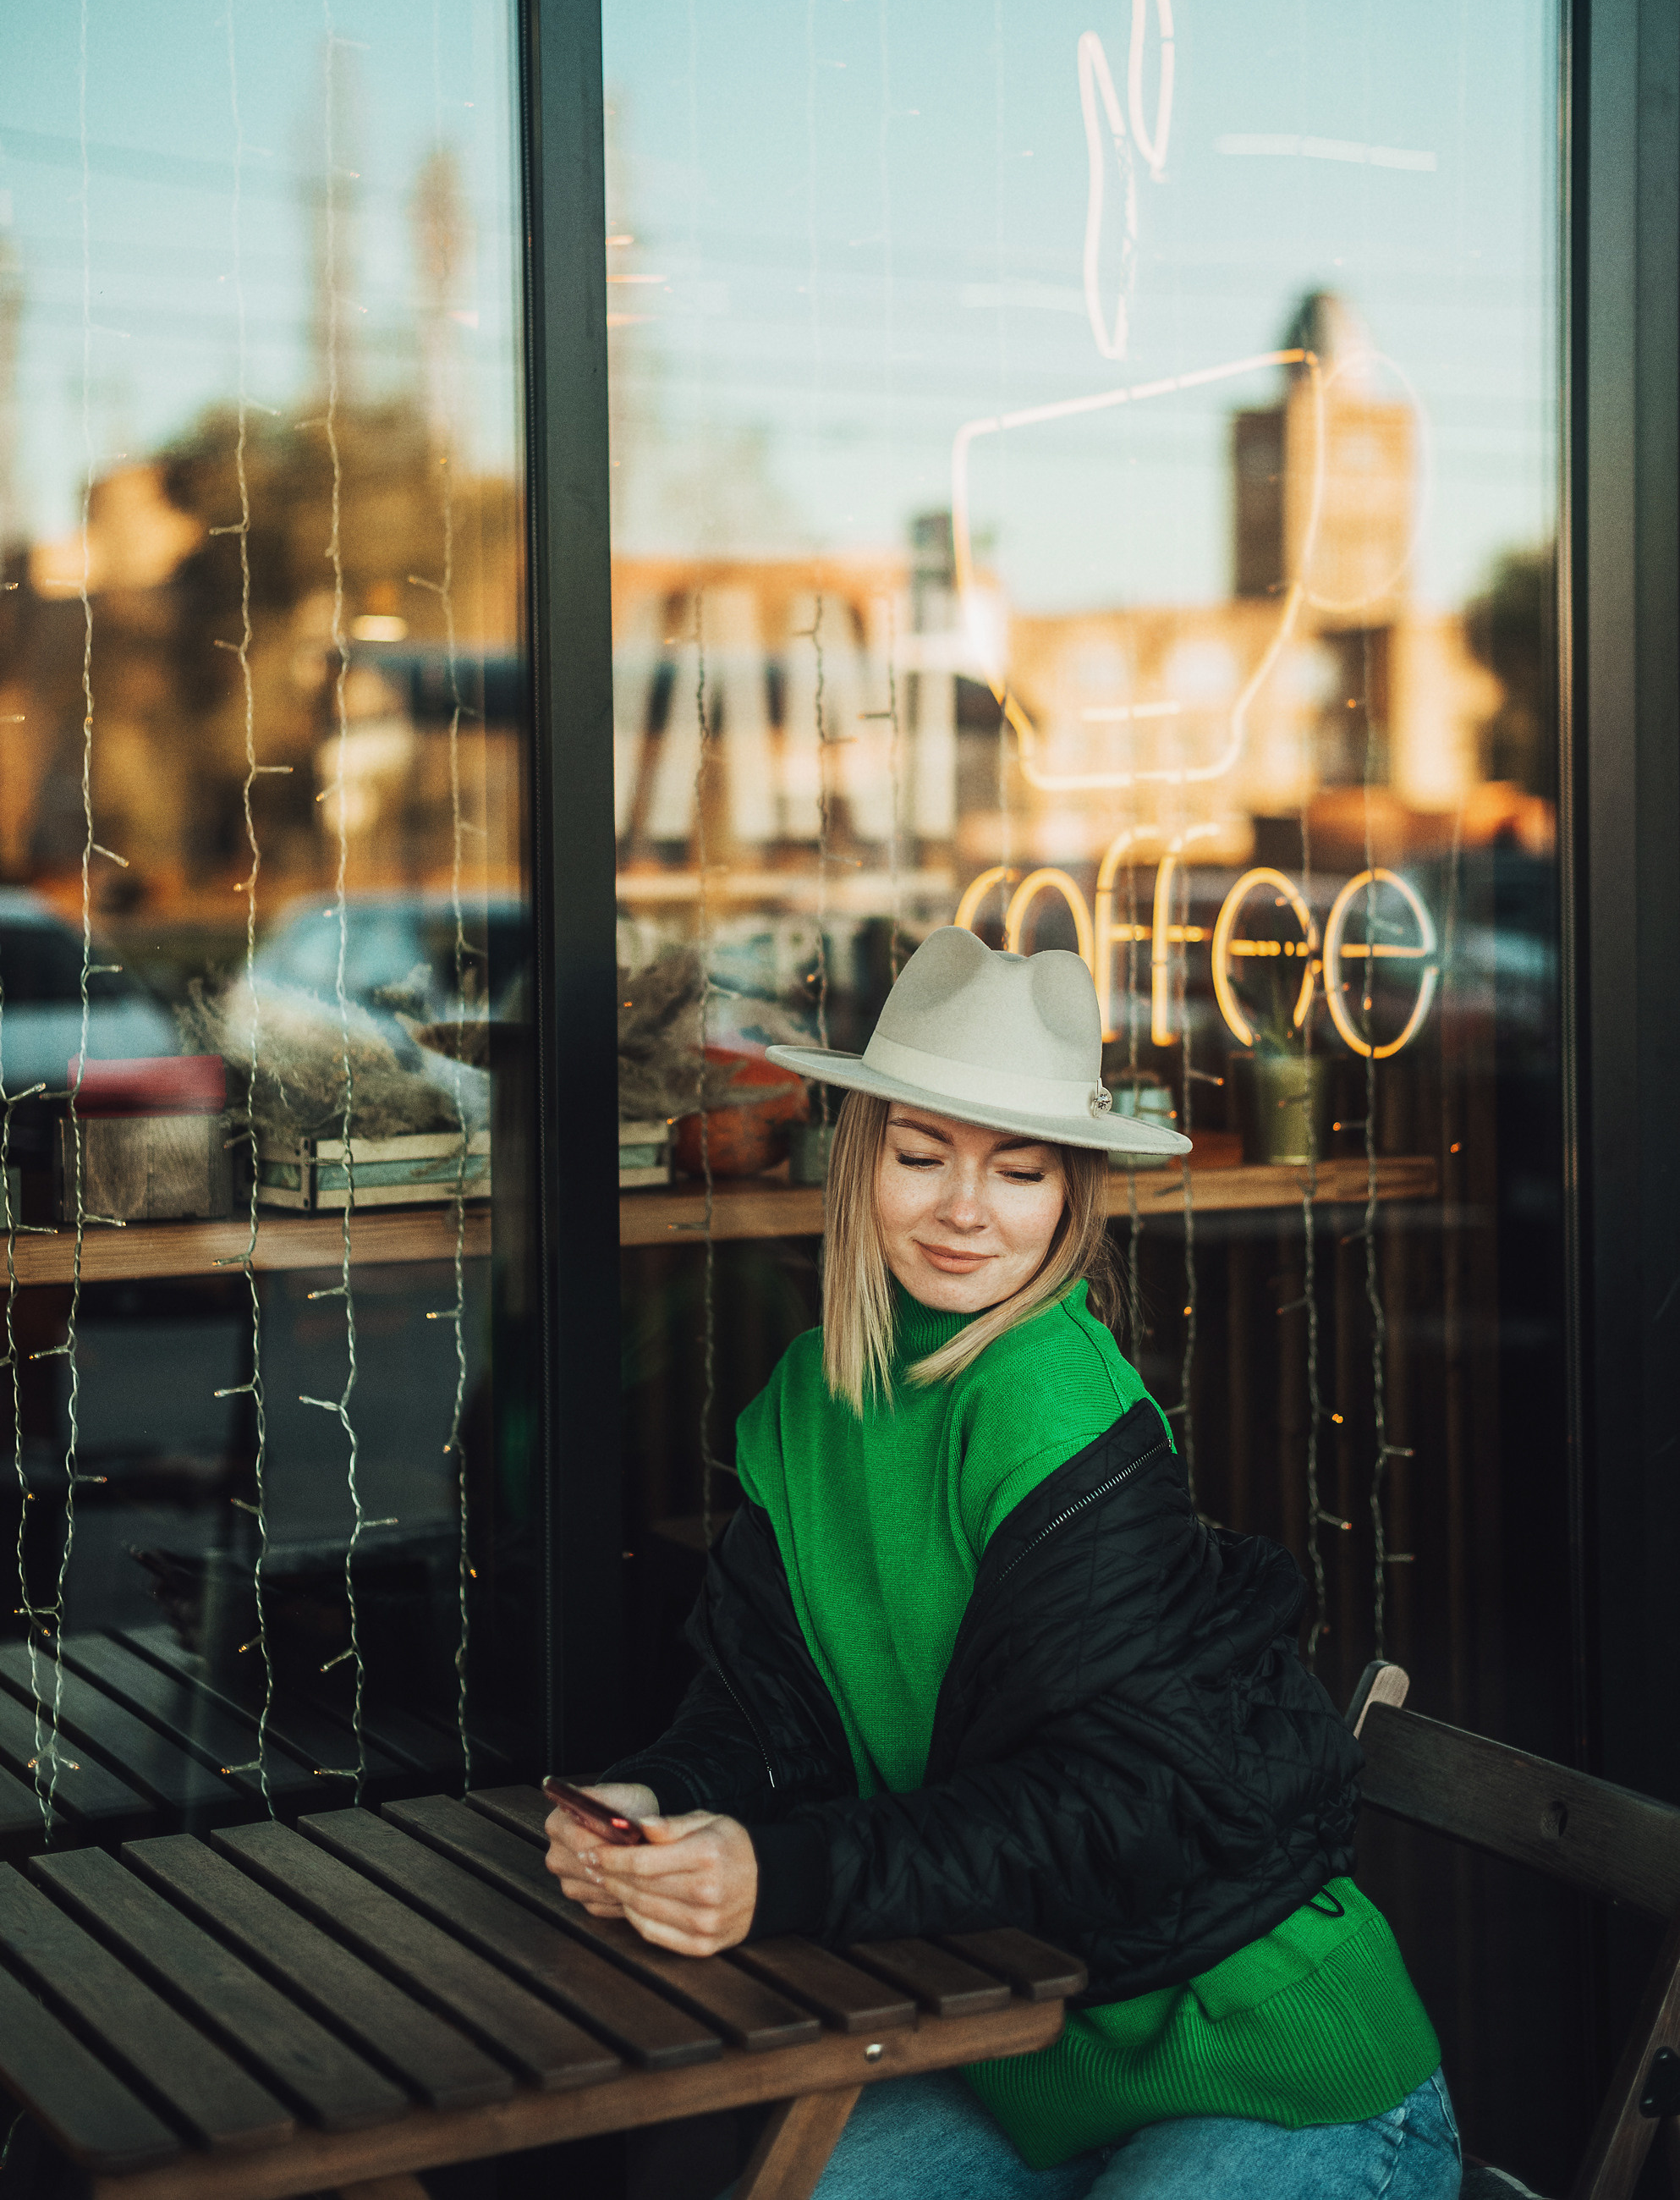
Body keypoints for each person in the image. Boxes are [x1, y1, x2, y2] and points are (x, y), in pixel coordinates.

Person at [546, 927, 1460, 2198]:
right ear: (861, 1160)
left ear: (1068, 1198)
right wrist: (654, 1804)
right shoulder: (811, 1402)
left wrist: (786, 1871)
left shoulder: (1047, 1400)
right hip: (1027, 2055)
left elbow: (1116, 1801)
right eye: (921, 1155)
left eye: (1018, 1173)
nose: (965, 1207)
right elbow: (766, 1707)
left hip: (1276, 2062)